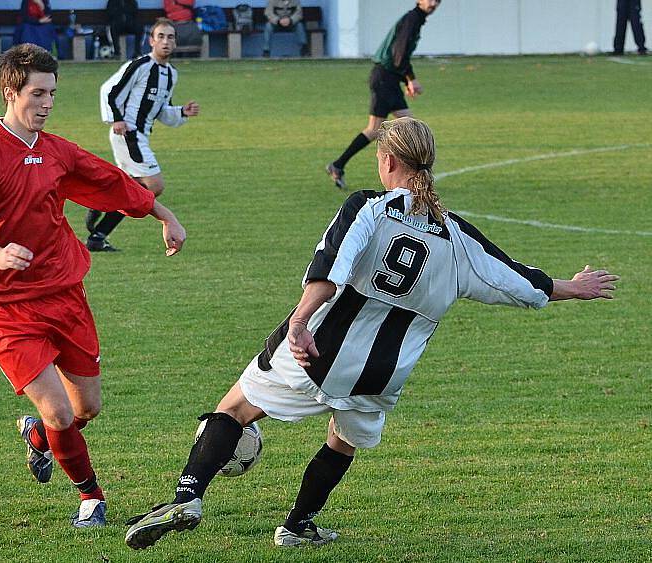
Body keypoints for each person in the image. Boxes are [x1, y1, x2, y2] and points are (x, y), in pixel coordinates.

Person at [123, 116, 618, 550]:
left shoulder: (369, 207)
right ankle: (298, 525)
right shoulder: (458, 237)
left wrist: (298, 322)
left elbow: (331, 267)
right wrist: (574, 287)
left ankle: (186, 498)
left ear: (386, 161)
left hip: (317, 351)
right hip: (380, 373)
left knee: (234, 409)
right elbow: (516, 280)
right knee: (343, 440)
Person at [0, 44, 186, 528]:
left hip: (64, 294)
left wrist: (163, 214)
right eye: (38, 93)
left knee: (85, 407)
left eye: (53, 93)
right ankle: (92, 496)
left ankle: (38, 438)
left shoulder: (55, 151)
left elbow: (110, 181)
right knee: (59, 410)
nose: (47, 103)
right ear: (11, 91)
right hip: (4, 305)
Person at [87, 18, 199, 252]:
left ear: (175, 42)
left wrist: (181, 112)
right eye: (161, 36)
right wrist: (116, 118)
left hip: (141, 136)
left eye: (170, 37)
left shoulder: (171, 74)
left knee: (132, 188)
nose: (165, 42)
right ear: (151, 41)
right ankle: (102, 208)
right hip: (128, 134)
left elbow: (161, 110)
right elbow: (110, 90)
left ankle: (99, 225)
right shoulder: (140, 66)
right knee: (154, 184)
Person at [326, 0, 440, 189]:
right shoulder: (413, 19)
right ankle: (338, 165)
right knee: (378, 129)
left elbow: (400, 57)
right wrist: (411, 79)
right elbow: (398, 54)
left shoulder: (415, 19)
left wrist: (407, 80)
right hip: (384, 79)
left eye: (438, 1)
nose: (434, 3)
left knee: (410, 126)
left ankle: (418, 178)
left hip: (389, 79)